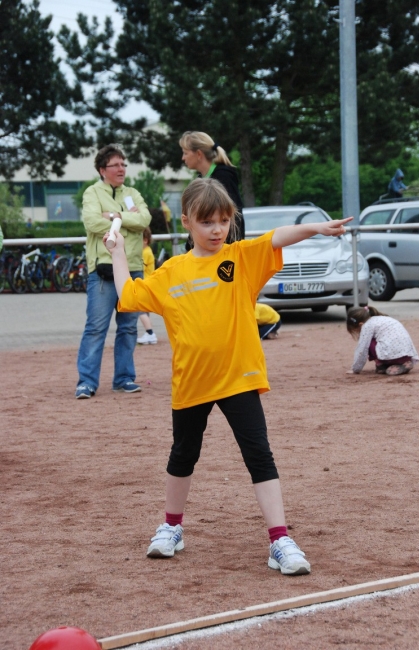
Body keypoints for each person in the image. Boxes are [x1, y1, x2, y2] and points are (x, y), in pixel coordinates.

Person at [105, 177, 352, 575]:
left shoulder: (240, 258)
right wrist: (117, 253)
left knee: (259, 455)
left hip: (239, 377)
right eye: (207, 222)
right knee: (183, 454)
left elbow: (275, 238)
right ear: (186, 221)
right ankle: (171, 528)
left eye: (223, 220)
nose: (217, 229)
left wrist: (315, 228)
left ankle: (279, 540)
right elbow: (129, 295)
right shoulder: (172, 271)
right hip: (191, 382)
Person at [75, 144, 151, 399]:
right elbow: (91, 222)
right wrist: (126, 221)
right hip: (103, 271)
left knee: (129, 327)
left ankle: (124, 379)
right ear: (102, 170)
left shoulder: (133, 193)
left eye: (123, 164)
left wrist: (115, 216)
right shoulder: (92, 193)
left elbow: (145, 220)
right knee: (96, 328)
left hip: (133, 269)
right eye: (115, 165)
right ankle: (86, 382)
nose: (121, 169)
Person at [179, 131, 245, 245]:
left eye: (185, 153)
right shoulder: (201, 179)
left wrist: (230, 250)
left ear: (199, 154)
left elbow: (235, 215)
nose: (183, 158)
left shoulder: (224, 177)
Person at [346, 305, 419, 376]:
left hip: (393, 357)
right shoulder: (382, 318)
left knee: (367, 341)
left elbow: (362, 349)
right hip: (407, 354)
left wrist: (355, 369)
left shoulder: (367, 326)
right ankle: (403, 363)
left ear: (361, 324)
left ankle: (381, 364)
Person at [137, 227, 158, 345]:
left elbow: (141, 268)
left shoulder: (145, 252)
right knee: (144, 311)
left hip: (145, 285)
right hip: (147, 285)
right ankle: (149, 333)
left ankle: (150, 334)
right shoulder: (147, 251)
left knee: (140, 311)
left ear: (145, 240)